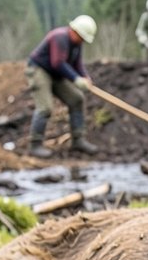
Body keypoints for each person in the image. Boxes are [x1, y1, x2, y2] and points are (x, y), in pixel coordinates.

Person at [25, 15, 100, 158]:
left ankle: (78, 139)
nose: (82, 41)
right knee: (45, 107)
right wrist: (76, 79)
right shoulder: (59, 37)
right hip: (39, 70)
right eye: (82, 38)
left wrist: (85, 77)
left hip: (55, 74)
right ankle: (35, 145)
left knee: (77, 99)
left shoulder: (77, 44)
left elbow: (77, 63)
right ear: (75, 31)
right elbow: (57, 63)